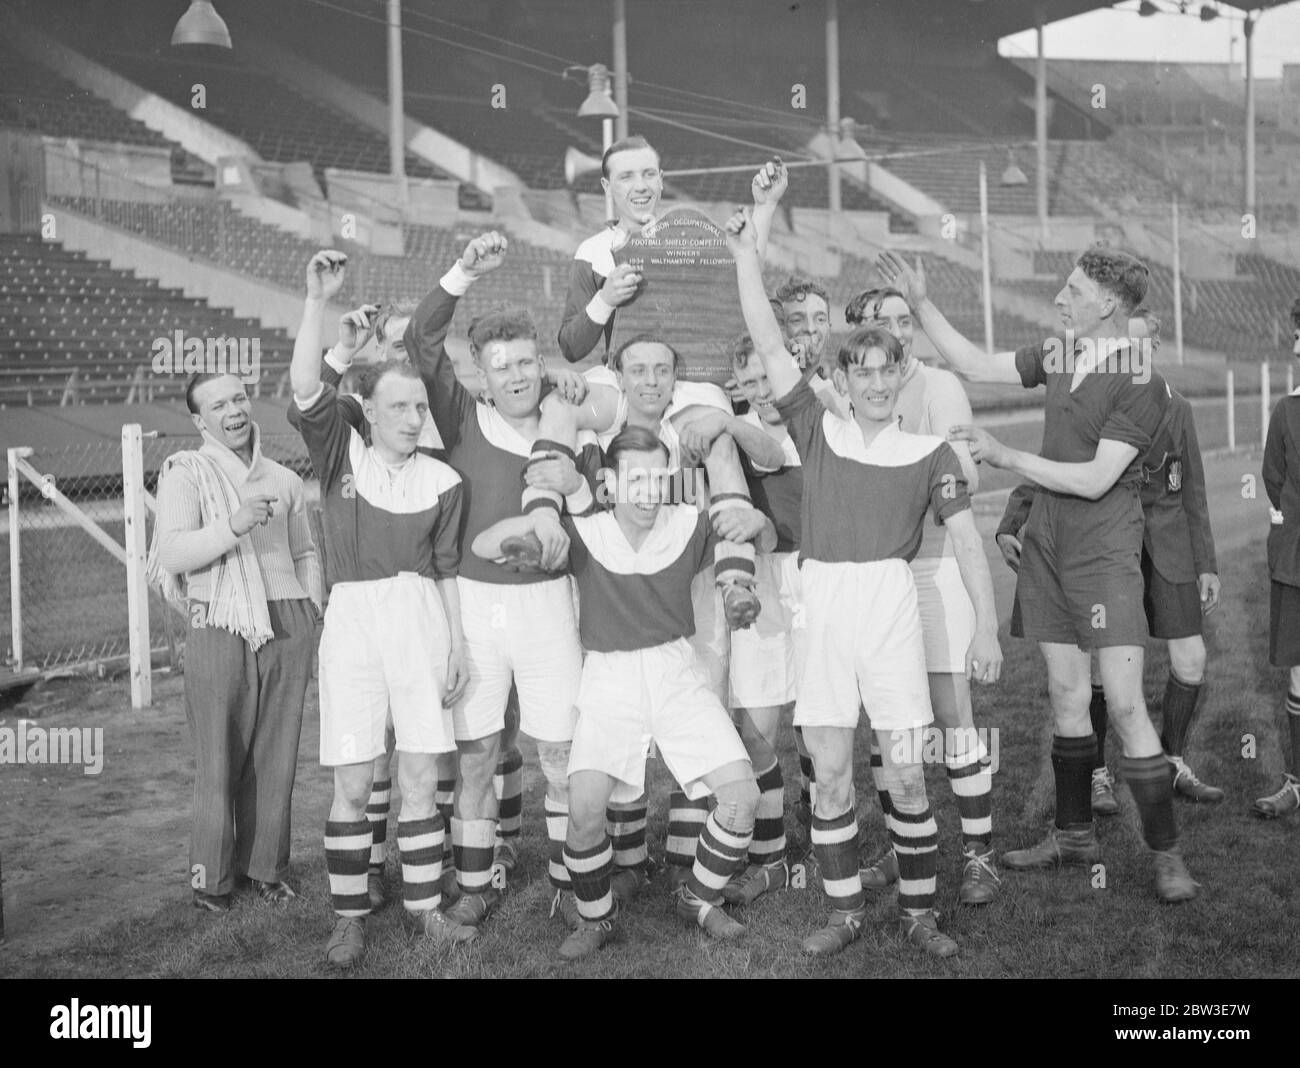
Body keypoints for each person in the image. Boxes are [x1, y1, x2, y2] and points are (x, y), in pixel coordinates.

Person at [877, 245, 1199, 903]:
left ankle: (1167, 856)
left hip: (1104, 548)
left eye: (1074, 290)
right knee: (1065, 694)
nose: (1060, 298)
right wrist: (920, 303)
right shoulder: (1058, 354)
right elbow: (971, 362)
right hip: (1047, 542)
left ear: (1109, 302)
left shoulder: (1144, 379)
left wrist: (1003, 454)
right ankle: (1073, 835)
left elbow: (1096, 477)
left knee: (1128, 699)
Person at [730, 209, 1003, 958]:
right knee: (830, 779)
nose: (877, 381)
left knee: (908, 778)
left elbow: (970, 541)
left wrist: (984, 626)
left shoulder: (929, 454)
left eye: (888, 369)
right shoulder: (817, 431)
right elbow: (765, 338)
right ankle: (845, 911)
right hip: (823, 614)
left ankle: (920, 913)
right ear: (842, 379)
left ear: (899, 373)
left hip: (890, 613)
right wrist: (744, 253)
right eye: (863, 370)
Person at [472, 425, 773, 960]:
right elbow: (483, 545)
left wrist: (759, 520)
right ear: (609, 482)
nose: (646, 489)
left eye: (657, 477)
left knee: (742, 796)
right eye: (634, 477)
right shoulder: (588, 532)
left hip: (675, 671)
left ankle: (697, 896)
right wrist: (540, 522)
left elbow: (762, 539)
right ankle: (597, 916)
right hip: (609, 678)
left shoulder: (688, 525)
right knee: (584, 815)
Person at [404, 231, 604, 936]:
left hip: (552, 607)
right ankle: (473, 883)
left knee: (559, 752)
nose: (516, 375)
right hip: (479, 609)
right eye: (501, 367)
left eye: (526, 361)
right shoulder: (462, 418)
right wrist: (462, 270)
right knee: (479, 753)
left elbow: (597, 522)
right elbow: (419, 338)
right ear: (482, 378)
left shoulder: (568, 423)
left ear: (540, 365)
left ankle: (569, 881)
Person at [288, 250, 469, 967]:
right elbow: (306, 388)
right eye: (396, 406)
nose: (411, 416)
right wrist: (318, 308)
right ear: (368, 410)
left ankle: (425, 908)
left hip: (423, 618)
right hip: (355, 624)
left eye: (419, 406)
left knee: (422, 775)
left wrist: (457, 646)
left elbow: (449, 571)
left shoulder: (445, 478)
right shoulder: (342, 457)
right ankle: (349, 916)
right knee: (355, 781)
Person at [996, 310, 1224, 813]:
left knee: (1191, 657)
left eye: (1139, 346)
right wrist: (1011, 519)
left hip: (1163, 547)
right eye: (1123, 344)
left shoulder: (1174, 405)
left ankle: (1175, 760)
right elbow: (1056, 467)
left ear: (1155, 347)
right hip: (1105, 544)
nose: (1129, 353)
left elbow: (1195, 490)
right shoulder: (1092, 394)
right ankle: (1097, 773)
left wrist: (1205, 562)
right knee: (1098, 674)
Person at [844, 284, 1000, 905]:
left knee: (951, 717)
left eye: (907, 320)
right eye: (884, 321)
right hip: (879, 576)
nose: (900, 332)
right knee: (889, 724)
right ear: (857, 329)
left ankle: (980, 855)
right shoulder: (856, 385)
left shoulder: (938, 387)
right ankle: (903, 842)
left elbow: (965, 472)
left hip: (933, 570)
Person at [151, 373, 322, 914]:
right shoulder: (186, 472)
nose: (234, 410)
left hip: (287, 620)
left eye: (240, 398)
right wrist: (234, 524)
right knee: (218, 755)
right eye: (218, 404)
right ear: (200, 421)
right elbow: (172, 555)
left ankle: (267, 872)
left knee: (277, 756)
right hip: (219, 622)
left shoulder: (282, 477)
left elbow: (306, 552)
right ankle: (211, 879)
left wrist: (311, 606)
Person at [1254, 301, 1300, 817]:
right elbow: (1273, 480)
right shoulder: (1286, 412)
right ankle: (1296, 782)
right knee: (1297, 676)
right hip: (1294, 563)